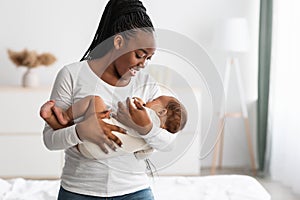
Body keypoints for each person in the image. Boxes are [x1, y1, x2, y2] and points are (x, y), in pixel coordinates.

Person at [42, 0, 180, 199]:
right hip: (79, 190)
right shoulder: (72, 75)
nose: (143, 64)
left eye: (148, 58)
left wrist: (146, 128)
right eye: (140, 55)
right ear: (118, 42)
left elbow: (169, 143)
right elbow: (49, 140)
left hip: (134, 190)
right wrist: (81, 131)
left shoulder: (145, 83)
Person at [40, 95, 187, 159]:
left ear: (162, 112)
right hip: (96, 153)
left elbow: (127, 104)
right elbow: (141, 155)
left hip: (99, 131)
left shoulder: (147, 115)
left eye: (155, 100)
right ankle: (50, 118)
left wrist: (139, 102)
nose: (150, 100)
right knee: (78, 132)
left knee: (95, 100)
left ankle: (65, 116)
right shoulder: (152, 141)